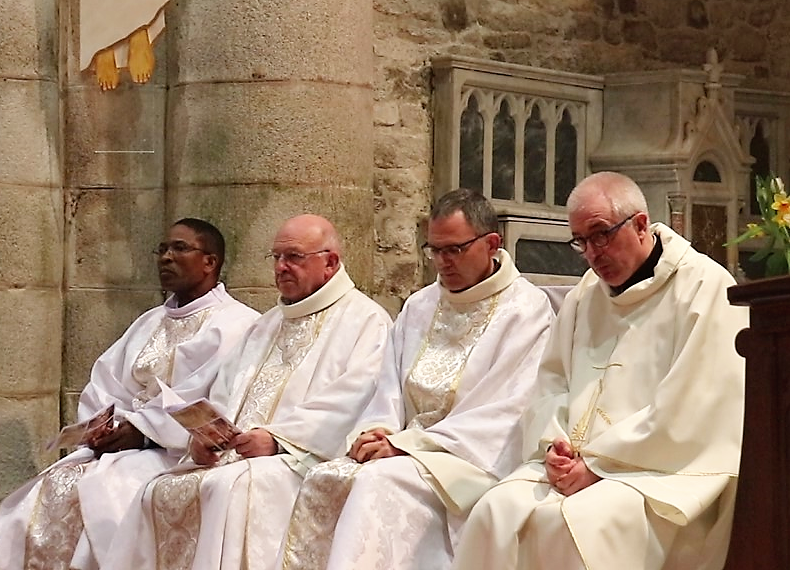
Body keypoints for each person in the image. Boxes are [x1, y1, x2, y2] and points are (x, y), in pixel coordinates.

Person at [452, 171, 749, 570]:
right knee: (494, 511)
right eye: (581, 241)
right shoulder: (586, 294)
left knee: (575, 525)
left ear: (640, 224)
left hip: (663, 471)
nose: (592, 254)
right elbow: (552, 382)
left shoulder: (704, 287)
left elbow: (693, 407)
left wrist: (598, 465)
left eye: (601, 235)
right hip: (581, 465)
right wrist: (556, 445)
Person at [278, 189, 555, 570]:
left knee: (377, 483)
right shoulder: (420, 305)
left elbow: (507, 408)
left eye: (454, 250)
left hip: (470, 459)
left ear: (492, 244)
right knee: (326, 477)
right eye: (434, 250)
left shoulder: (526, 310)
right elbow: (388, 385)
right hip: (406, 448)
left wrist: (407, 446)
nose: (442, 262)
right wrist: (378, 429)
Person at [105, 214, 393, 570]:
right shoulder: (266, 325)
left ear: (330, 263)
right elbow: (225, 391)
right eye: (276, 257)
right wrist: (205, 439)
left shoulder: (366, 321)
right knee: (156, 490)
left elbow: (355, 397)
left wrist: (277, 440)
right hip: (238, 457)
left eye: (294, 257)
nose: (281, 267)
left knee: (230, 489)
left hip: (302, 459)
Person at [0, 218, 260, 570]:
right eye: (162, 249)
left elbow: (208, 398)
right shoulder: (149, 321)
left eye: (180, 248)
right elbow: (107, 382)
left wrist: (142, 431)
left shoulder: (236, 323)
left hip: (175, 452)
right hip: (124, 447)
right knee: (52, 487)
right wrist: (101, 427)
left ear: (209, 262)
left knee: (100, 496)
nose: (166, 257)